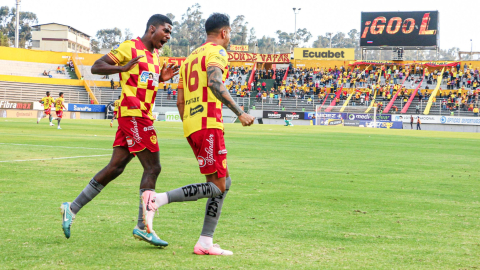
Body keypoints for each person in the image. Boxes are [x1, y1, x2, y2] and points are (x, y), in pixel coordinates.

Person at [60, 14, 179, 247]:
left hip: (139, 114)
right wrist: (121, 67)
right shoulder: (130, 47)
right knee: (153, 167)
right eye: (165, 30)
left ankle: (71, 208)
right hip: (133, 114)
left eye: (170, 33)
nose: (168, 36)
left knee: (116, 167)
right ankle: (143, 226)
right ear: (152, 28)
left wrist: (161, 79)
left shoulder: (155, 56)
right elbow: (96, 66)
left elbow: (145, 83)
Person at [159, 13, 254, 256]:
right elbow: (214, 82)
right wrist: (240, 112)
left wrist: (189, 124)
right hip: (208, 123)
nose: (229, 37)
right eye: (230, 33)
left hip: (192, 125)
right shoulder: (217, 52)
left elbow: (180, 100)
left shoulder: (191, 56)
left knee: (224, 182)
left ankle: (205, 241)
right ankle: (158, 200)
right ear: (224, 32)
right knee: (218, 186)